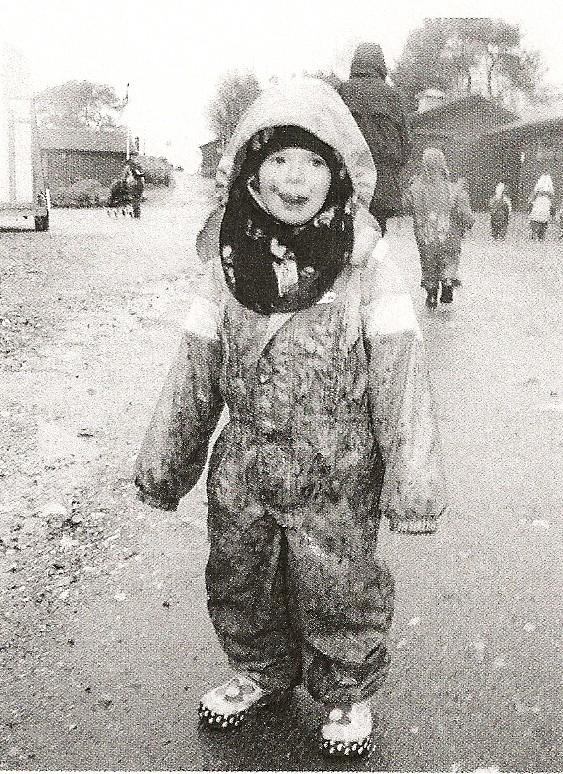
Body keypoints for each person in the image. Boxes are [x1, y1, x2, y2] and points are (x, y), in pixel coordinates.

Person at [134, 79, 445, 758]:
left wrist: (410, 482)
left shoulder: (367, 265)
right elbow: (194, 370)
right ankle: (259, 669)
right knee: (240, 574)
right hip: (243, 464)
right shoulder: (226, 262)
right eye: (276, 160)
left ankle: (344, 689)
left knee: (339, 582)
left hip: (336, 467)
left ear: (338, 172)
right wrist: (165, 467)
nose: (293, 177)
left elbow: (399, 378)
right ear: (248, 170)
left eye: (311, 161)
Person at [338, 42, 412, 237]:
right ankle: (374, 265)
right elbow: (406, 146)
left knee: (344, 235)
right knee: (377, 236)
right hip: (383, 182)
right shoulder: (393, 96)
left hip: (347, 180)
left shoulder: (342, 92)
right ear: (381, 64)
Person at [403, 148, 474, 309]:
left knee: (428, 262)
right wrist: (469, 222)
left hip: (425, 234)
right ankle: (447, 281)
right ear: (443, 163)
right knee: (449, 258)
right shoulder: (452, 188)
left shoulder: (416, 186)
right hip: (449, 233)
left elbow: (406, 205)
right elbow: (464, 211)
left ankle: (431, 293)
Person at [528, 175, 554, 241]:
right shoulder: (539, 191)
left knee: (542, 219)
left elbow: (551, 195)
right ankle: (536, 233)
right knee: (536, 218)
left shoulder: (546, 193)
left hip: (544, 203)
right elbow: (534, 193)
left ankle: (540, 234)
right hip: (539, 203)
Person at [121, 149, 145, 218]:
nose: (134, 158)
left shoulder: (134, 166)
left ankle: (135, 212)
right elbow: (126, 176)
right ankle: (135, 212)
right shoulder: (132, 167)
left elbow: (125, 177)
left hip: (135, 185)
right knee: (135, 200)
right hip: (135, 185)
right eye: (133, 156)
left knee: (135, 199)